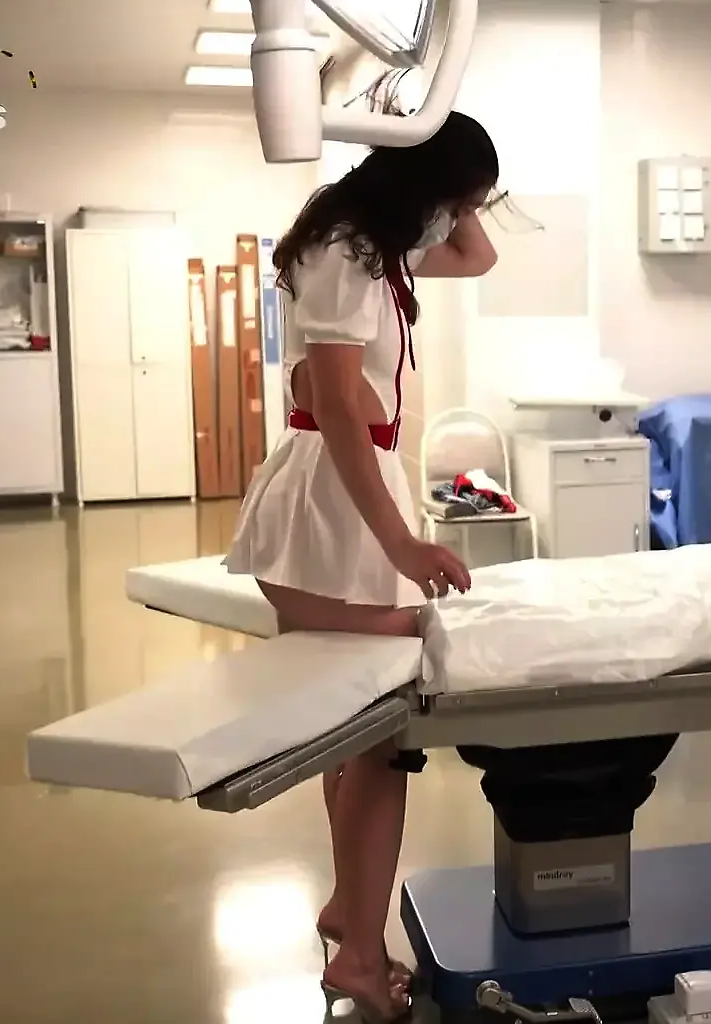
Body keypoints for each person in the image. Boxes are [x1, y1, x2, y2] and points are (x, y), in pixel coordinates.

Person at [224, 110, 498, 1023]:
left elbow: (479, 258)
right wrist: (402, 546)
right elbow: (341, 407)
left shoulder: (376, 244)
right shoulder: (348, 250)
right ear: (420, 191)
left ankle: (350, 914)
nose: (459, 220)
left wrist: (457, 188)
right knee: (383, 727)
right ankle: (358, 956)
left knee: (357, 724)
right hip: (330, 510)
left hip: (346, 497)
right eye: (454, 201)